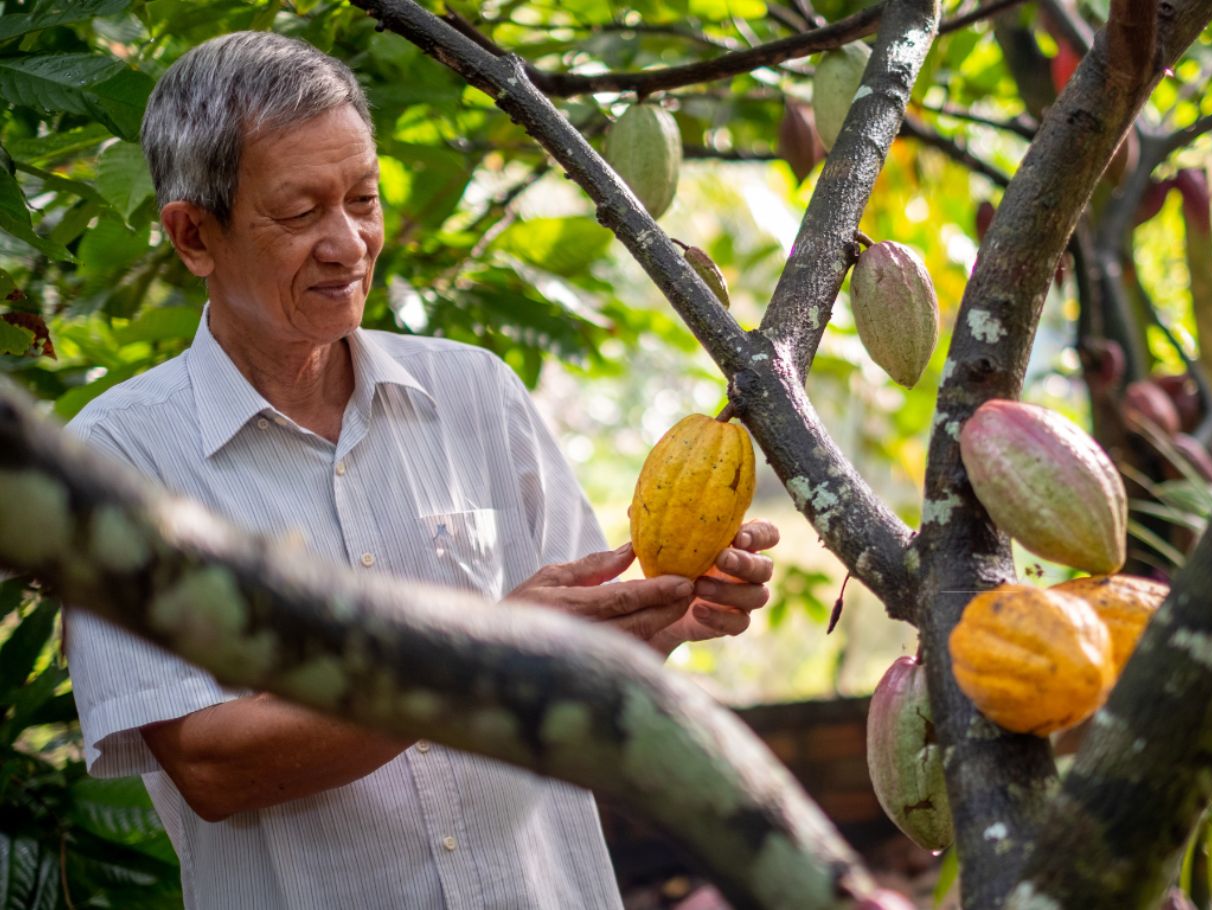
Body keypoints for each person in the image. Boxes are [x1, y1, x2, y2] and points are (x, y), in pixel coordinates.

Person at [64, 30, 778, 910]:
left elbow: (574, 667)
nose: (349, 243)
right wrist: (473, 658)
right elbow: (211, 763)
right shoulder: (121, 459)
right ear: (192, 235)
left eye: (362, 198)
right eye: (298, 214)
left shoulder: (473, 392)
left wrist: (672, 610)